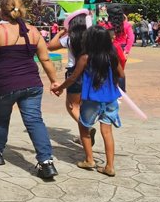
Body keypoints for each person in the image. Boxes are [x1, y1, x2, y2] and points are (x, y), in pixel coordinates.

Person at [0, 0, 61, 180]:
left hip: (5, 84)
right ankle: (46, 163)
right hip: (32, 84)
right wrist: (54, 81)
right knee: (35, 121)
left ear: (1, 11)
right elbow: (45, 59)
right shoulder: (34, 31)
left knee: (1, 120)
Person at [52, 25, 124, 177]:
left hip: (92, 98)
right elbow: (121, 73)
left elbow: (73, 77)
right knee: (107, 131)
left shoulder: (85, 57)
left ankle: (89, 160)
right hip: (110, 98)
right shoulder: (112, 56)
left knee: (84, 127)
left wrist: (60, 88)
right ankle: (109, 166)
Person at [48, 13, 94, 154]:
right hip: (91, 73)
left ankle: (87, 129)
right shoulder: (92, 38)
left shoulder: (69, 39)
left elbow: (50, 46)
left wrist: (61, 32)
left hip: (74, 74)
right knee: (83, 105)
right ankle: (84, 133)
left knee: (71, 106)